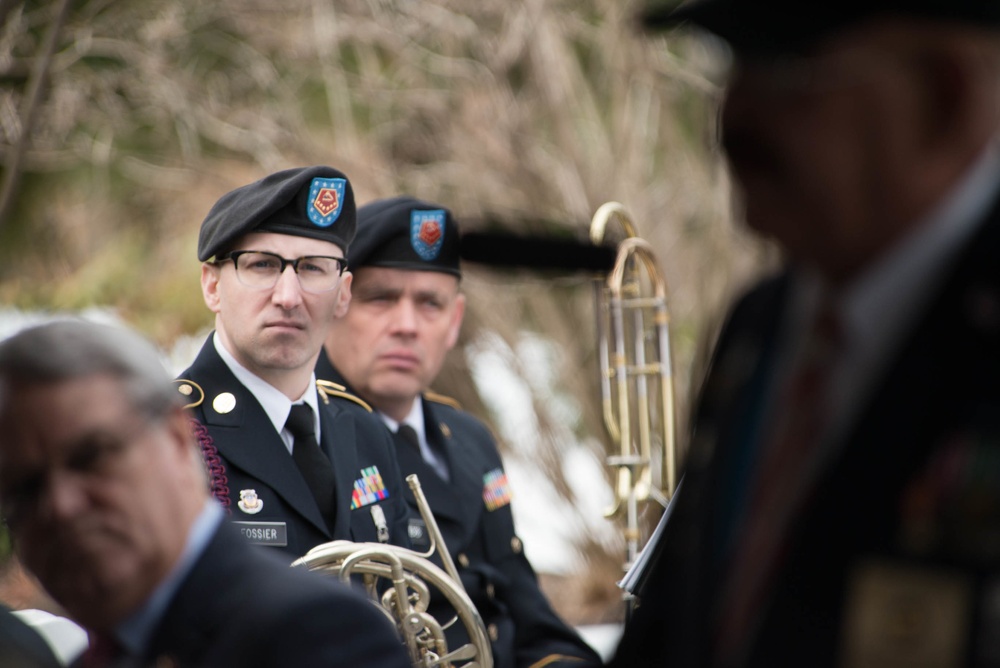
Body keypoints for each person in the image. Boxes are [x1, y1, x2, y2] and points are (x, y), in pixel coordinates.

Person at [610, 1, 1000, 667]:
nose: (732, 120)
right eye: (732, 67)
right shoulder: (762, 327)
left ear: (943, 95)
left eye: (786, 69)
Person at [0, 319, 411, 668]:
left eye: (91, 457)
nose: (60, 506)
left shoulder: (317, 634)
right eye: (23, 488)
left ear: (178, 437)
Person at [317, 196, 603, 668]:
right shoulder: (308, 436)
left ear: (454, 321)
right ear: (337, 303)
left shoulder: (469, 438)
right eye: (381, 298)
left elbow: (526, 610)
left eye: (430, 303)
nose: (406, 326)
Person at [176, 166, 412, 559]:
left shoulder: (366, 433)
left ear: (342, 294)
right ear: (212, 286)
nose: (288, 296)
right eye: (262, 265)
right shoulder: (165, 436)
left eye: (313, 268)